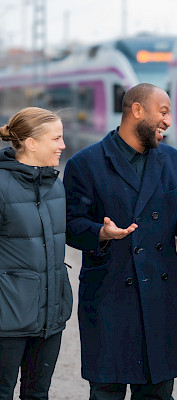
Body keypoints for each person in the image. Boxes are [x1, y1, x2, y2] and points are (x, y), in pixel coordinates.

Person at [63, 83, 177, 400]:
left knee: (157, 393)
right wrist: (100, 233)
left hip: (161, 297)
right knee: (106, 393)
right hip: (110, 298)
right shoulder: (85, 163)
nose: (169, 120)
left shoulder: (172, 160)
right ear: (137, 110)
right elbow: (70, 225)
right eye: (163, 111)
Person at [0, 107, 73, 400]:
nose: (63, 145)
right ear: (31, 143)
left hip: (49, 319)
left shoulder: (55, 185)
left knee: (38, 394)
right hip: (7, 320)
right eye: (56, 138)